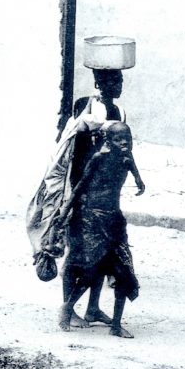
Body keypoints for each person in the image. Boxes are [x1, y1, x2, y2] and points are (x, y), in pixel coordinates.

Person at [58, 120, 143, 336]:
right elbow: (79, 187)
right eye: (118, 139)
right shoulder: (98, 158)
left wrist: (139, 180)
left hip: (114, 220)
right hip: (91, 219)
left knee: (124, 271)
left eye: (127, 139)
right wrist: (64, 213)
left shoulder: (126, 157)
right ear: (108, 141)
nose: (124, 143)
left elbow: (132, 167)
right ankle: (68, 308)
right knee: (91, 270)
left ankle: (116, 326)